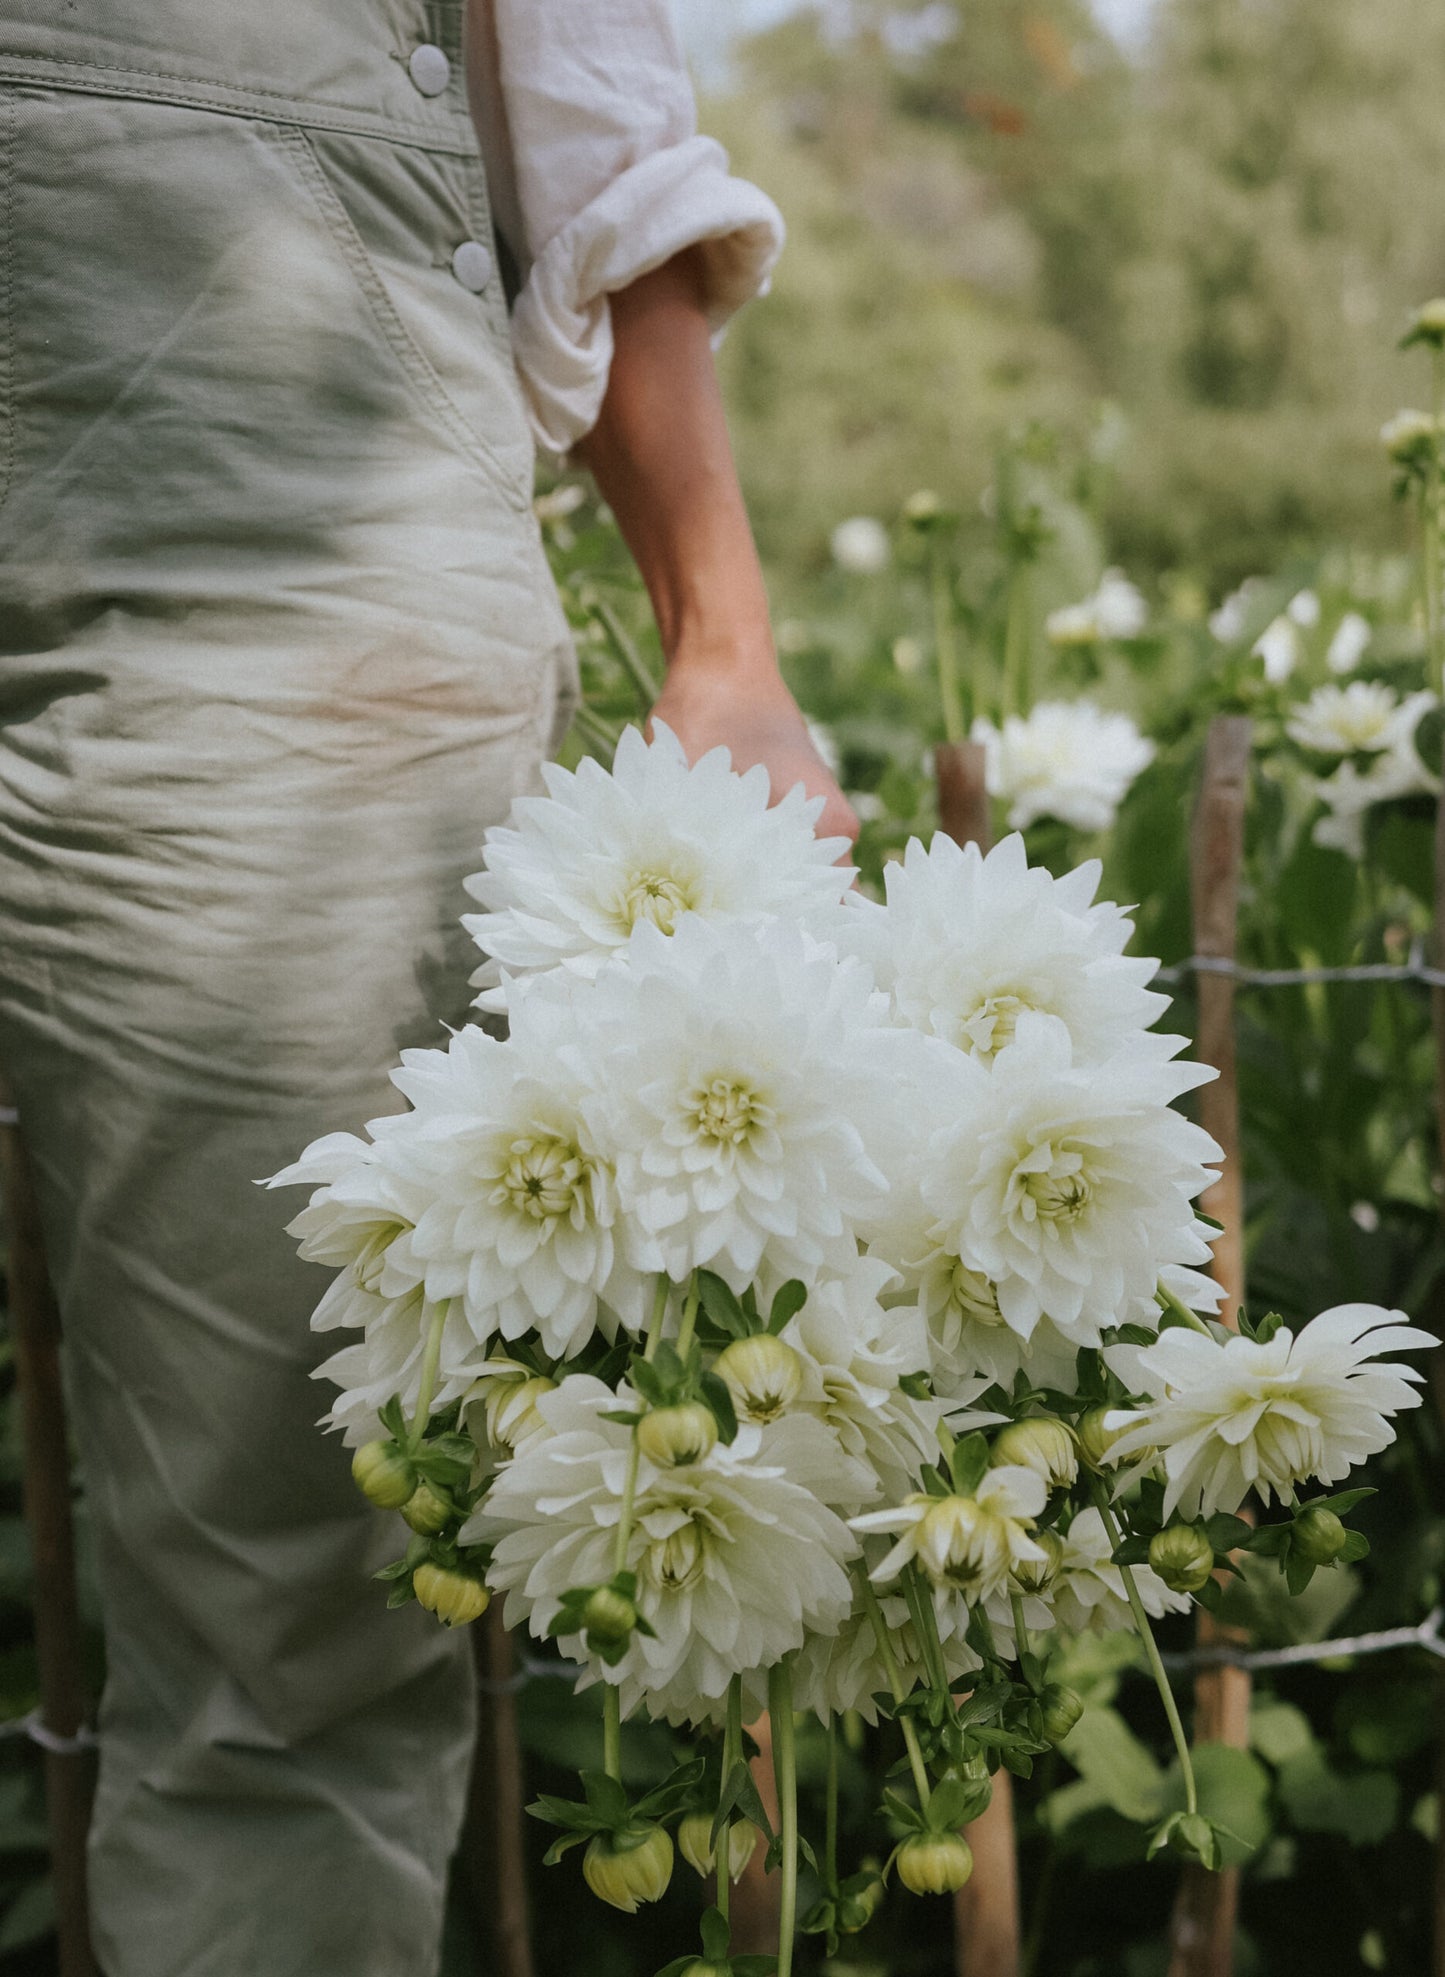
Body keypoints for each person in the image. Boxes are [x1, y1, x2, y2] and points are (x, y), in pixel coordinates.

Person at [0, 2, 856, 1971]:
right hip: (261, 407)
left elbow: (576, 75)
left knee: (282, 1628)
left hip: (256, 450)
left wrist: (719, 627)